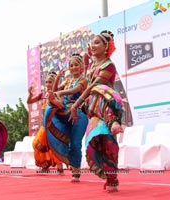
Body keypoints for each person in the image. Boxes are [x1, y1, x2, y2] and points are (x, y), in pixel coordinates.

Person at [70, 30, 124, 192]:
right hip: (93, 108)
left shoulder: (109, 65)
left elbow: (94, 86)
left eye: (97, 42)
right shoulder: (92, 66)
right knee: (98, 142)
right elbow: (87, 87)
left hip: (107, 101)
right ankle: (110, 178)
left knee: (108, 142)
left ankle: (113, 120)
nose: (93, 45)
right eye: (91, 43)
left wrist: (76, 104)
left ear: (106, 46)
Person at [44, 53, 88, 182]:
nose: (73, 67)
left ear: (81, 67)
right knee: (53, 105)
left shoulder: (83, 80)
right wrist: (57, 78)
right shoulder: (67, 81)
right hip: (65, 111)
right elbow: (56, 89)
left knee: (75, 143)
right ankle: (55, 104)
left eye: (76, 65)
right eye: (71, 65)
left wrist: (60, 92)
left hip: (78, 114)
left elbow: (74, 91)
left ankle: (76, 170)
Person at [28, 72, 64, 174]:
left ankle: (60, 167)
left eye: (50, 82)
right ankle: (45, 165)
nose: (48, 84)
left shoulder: (57, 93)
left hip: (54, 124)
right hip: (44, 125)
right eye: (47, 82)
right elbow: (30, 101)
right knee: (37, 144)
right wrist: (30, 94)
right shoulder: (43, 94)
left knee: (54, 145)